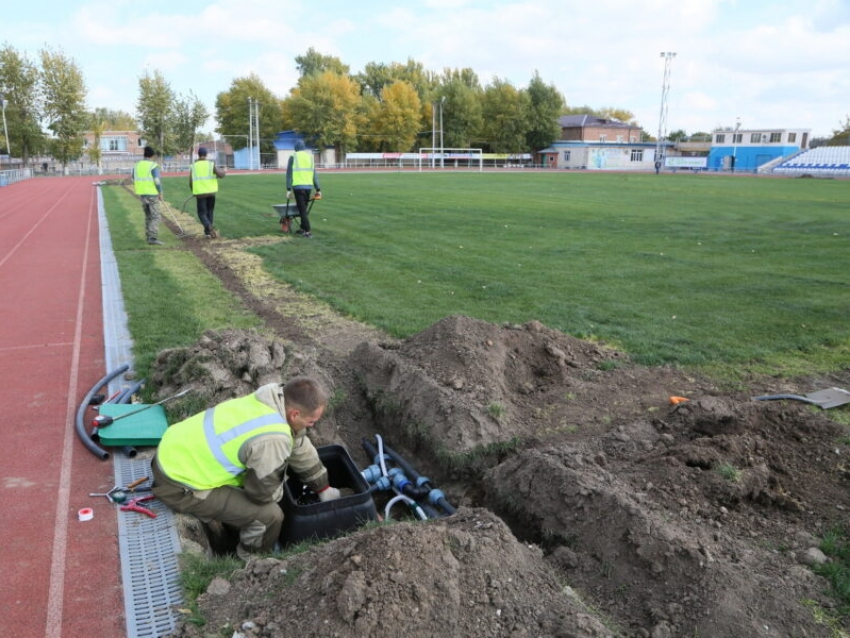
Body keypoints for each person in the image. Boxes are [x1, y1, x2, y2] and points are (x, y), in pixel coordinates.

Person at [151, 377, 341, 559]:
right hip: (178, 484)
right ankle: (249, 562)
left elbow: (298, 444)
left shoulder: (272, 399)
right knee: (270, 517)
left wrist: (322, 487)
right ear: (295, 414)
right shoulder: (273, 437)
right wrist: (281, 483)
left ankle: (237, 525)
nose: (312, 425)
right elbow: (261, 495)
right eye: (311, 421)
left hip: (172, 452)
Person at [286, 140, 321, 238]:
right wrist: (318, 189)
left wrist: (288, 189)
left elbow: (289, 174)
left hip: (298, 187)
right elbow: (314, 174)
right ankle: (302, 228)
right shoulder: (310, 157)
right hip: (308, 187)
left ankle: (308, 231)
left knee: (302, 210)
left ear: (295, 148)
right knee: (303, 209)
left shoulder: (293, 156)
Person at [189, 147, 226, 239]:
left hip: (200, 193)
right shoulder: (211, 164)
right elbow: (221, 175)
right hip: (211, 192)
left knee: (202, 213)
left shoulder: (194, 166)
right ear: (206, 155)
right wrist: (224, 171)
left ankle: (209, 227)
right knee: (210, 211)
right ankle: (208, 233)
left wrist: (193, 191)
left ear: (198, 155)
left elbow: (190, 181)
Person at [133, 146, 164, 245]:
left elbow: (133, 178)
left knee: (148, 216)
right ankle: (153, 237)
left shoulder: (137, 165)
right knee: (155, 216)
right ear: (152, 155)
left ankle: (148, 236)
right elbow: (157, 180)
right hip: (152, 194)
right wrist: (160, 192)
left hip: (142, 194)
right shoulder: (153, 166)